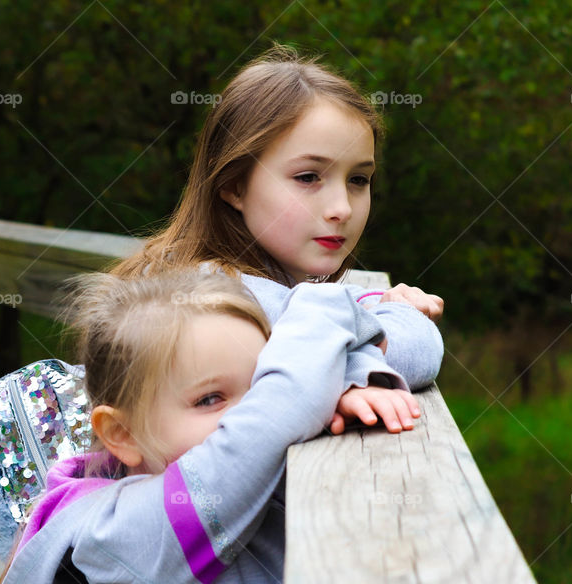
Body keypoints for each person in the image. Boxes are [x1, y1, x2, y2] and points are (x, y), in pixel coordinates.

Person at [0, 268, 418, 584]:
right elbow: (281, 410)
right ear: (122, 433)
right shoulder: (138, 526)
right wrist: (321, 305)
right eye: (210, 399)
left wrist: (351, 377)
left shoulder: (191, 483)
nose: (250, 409)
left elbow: (415, 356)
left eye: (261, 380)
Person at [110, 43, 444, 434]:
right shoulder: (225, 300)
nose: (342, 208)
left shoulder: (210, 275)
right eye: (308, 178)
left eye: (358, 179)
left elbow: (327, 313)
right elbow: (418, 350)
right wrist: (401, 316)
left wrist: (375, 306)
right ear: (235, 186)